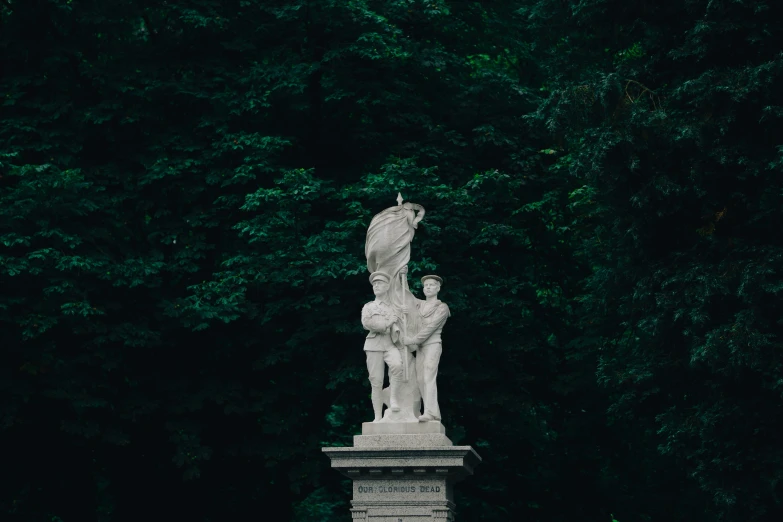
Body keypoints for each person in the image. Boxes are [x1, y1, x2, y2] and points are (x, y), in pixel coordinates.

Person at [403, 275, 450, 422]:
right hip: (420, 347)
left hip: (432, 344)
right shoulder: (419, 305)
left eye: (431, 285)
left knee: (429, 377)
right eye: (426, 285)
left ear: (438, 288)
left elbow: (431, 327)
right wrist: (402, 275)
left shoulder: (442, 307)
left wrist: (412, 340)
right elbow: (405, 294)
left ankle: (431, 412)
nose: (428, 287)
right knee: (420, 379)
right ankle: (428, 412)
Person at [361, 271, 404, 422]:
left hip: (390, 344)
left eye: (380, 283)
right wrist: (387, 323)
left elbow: (403, 322)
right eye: (374, 284)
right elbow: (367, 323)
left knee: (398, 366)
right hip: (373, 345)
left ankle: (393, 400)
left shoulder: (394, 306)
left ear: (387, 287)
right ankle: (377, 416)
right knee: (376, 381)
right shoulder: (368, 306)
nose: (376, 286)